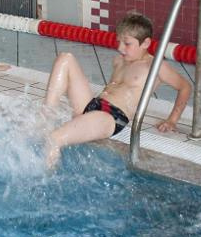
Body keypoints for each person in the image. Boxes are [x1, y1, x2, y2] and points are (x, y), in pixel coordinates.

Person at [43, 12, 191, 168]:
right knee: (65, 58)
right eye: (119, 41)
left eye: (127, 44)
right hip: (93, 105)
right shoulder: (119, 60)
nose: (120, 48)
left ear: (145, 43)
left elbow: (185, 87)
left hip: (110, 117)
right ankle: (46, 115)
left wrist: (172, 120)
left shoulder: (155, 67)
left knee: (54, 139)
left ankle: (47, 176)